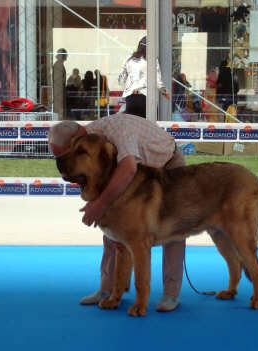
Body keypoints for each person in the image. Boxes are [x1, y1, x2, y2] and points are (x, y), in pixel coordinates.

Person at [48, 115, 185, 312]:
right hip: (137, 168)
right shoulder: (90, 142)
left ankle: (171, 294)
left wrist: (100, 204)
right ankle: (109, 289)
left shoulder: (117, 132)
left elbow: (128, 168)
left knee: (172, 230)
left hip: (167, 163)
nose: (65, 161)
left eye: (66, 155)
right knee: (112, 228)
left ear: (75, 141)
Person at [118, 36, 170, 118]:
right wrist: (165, 92)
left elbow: (121, 80)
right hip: (146, 98)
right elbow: (158, 82)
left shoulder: (128, 59)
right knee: (149, 127)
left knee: (133, 127)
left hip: (131, 99)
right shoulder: (152, 60)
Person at [53, 48, 68, 120]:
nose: (66, 57)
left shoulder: (59, 64)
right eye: (64, 55)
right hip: (58, 90)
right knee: (59, 107)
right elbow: (58, 80)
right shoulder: (58, 65)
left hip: (60, 90)